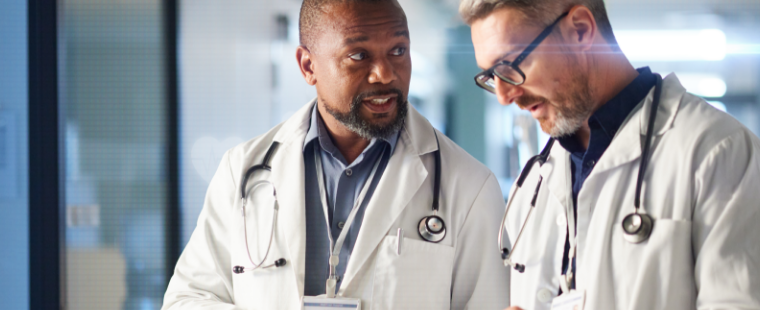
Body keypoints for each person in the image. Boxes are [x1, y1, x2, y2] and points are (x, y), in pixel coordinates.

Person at [162, 0, 510, 309]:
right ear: (308, 66)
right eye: (359, 56)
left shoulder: (469, 186)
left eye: (398, 51)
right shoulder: (242, 170)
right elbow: (188, 298)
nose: (385, 73)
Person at [458, 0, 760, 309]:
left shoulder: (717, 151)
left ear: (580, 30)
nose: (504, 96)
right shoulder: (532, 188)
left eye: (511, 65)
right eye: (491, 76)